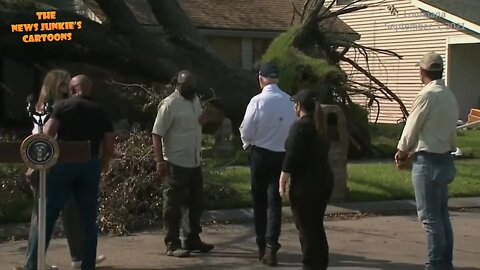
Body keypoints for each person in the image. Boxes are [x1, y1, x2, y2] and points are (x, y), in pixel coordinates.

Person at [21, 74, 115, 270]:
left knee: (47, 215)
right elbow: (109, 144)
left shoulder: (62, 107)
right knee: (88, 219)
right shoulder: (101, 111)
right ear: (89, 90)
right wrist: (103, 164)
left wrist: (35, 165)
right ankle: (87, 264)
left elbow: (48, 135)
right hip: (89, 164)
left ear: (72, 89)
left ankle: (33, 264)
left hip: (64, 163)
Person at [395, 52, 459, 270]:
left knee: (430, 219)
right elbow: (449, 133)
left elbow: (411, 128)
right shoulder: (449, 95)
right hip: (445, 160)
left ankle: (434, 264)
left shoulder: (427, 95)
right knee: (442, 216)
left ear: (422, 71)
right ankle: (445, 263)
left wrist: (402, 151)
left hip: (428, 163)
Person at [239, 62, 296, 266]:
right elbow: (293, 128)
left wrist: (248, 143)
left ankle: (261, 244)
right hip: (281, 155)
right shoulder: (289, 100)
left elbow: (246, 129)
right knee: (275, 202)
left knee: (259, 201)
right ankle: (272, 244)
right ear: (277, 79)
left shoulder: (257, 101)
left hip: (261, 154)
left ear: (261, 79)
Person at [152, 70, 213, 258]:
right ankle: (172, 244)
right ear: (178, 84)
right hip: (175, 162)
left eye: (193, 84)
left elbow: (194, 125)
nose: (191, 88)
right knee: (173, 206)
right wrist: (160, 162)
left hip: (194, 161)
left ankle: (192, 239)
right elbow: (156, 133)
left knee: (195, 204)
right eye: (187, 85)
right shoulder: (170, 104)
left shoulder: (195, 100)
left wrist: (202, 120)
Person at [279, 89, 334, 270]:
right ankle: (321, 263)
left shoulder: (300, 126)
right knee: (316, 224)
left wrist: (283, 179)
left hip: (305, 185)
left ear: (298, 106)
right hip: (323, 181)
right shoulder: (321, 126)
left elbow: (291, 154)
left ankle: (310, 265)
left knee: (306, 228)